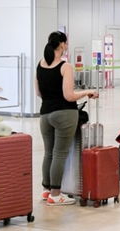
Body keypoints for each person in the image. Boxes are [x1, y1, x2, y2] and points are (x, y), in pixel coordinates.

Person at [36, 31, 98, 205]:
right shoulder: (65, 66)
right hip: (64, 113)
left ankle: (46, 190)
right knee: (60, 153)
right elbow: (69, 96)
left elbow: (38, 92)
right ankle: (56, 195)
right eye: (66, 43)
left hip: (45, 114)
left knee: (49, 152)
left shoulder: (39, 65)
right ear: (62, 45)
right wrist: (88, 92)